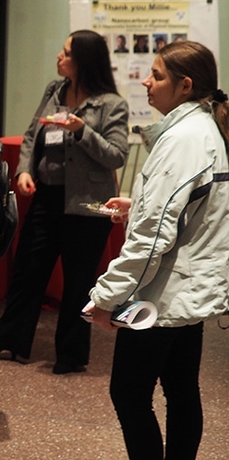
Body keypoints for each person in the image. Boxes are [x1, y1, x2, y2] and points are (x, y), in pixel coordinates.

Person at [87, 40, 229, 459]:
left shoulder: (184, 138)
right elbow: (187, 207)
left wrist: (106, 299)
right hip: (187, 290)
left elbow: (153, 239)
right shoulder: (205, 129)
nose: (146, 82)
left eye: (157, 75)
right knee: (181, 388)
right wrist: (139, 206)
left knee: (128, 394)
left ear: (185, 86)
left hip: (158, 297)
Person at [0, 29, 129, 374]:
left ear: (84, 62)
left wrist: (81, 130)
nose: (59, 58)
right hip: (47, 195)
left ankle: (71, 356)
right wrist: (25, 170)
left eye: (66, 53)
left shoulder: (111, 104)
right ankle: (10, 342)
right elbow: (32, 134)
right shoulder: (54, 90)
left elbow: (116, 155)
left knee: (78, 281)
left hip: (88, 205)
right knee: (28, 272)